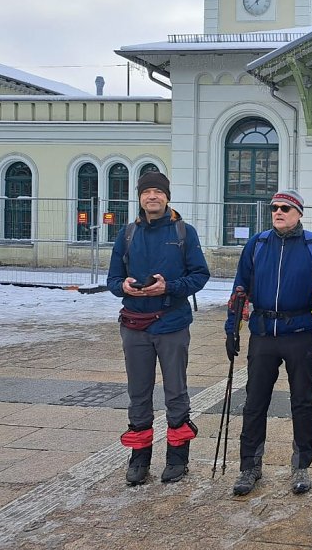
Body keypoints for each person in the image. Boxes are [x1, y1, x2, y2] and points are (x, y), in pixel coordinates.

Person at [225, 188, 312, 497]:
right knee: (254, 401)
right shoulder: (257, 244)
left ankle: (301, 465)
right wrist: (231, 328)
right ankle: (250, 465)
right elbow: (239, 288)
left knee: (302, 401)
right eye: (275, 207)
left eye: (286, 208)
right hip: (262, 333)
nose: (278, 212)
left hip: (299, 332)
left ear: (299, 213)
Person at [107, 171, 210, 485]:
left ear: (167, 197)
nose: (152, 196)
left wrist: (169, 287)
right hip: (134, 326)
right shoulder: (126, 234)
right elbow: (112, 280)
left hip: (172, 325)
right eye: (147, 192)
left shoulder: (184, 232)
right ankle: (139, 458)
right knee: (138, 394)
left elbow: (200, 276)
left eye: (158, 192)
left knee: (176, 392)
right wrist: (123, 285)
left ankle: (178, 457)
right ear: (139, 198)